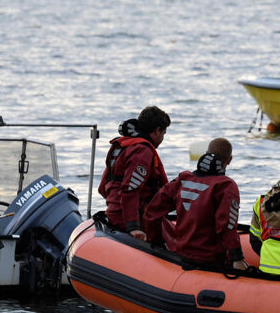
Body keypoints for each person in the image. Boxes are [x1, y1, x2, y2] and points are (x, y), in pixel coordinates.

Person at [143, 137, 246, 271]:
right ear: (230, 160)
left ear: (206, 152)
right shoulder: (226, 186)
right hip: (209, 259)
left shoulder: (183, 179)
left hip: (180, 254)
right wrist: (237, 258)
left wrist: (157, 243)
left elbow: (152, 213)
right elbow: (227, 226)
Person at [97, 106, 170, 241]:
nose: (162, 138)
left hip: (113, 213)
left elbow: (102, 187)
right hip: (133, 219)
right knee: (175, 239)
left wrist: (114, 205)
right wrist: (133, 226)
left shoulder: (121, 146)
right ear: (157, 130)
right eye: (164, 133)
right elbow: (130, 189)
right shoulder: (142, 151)